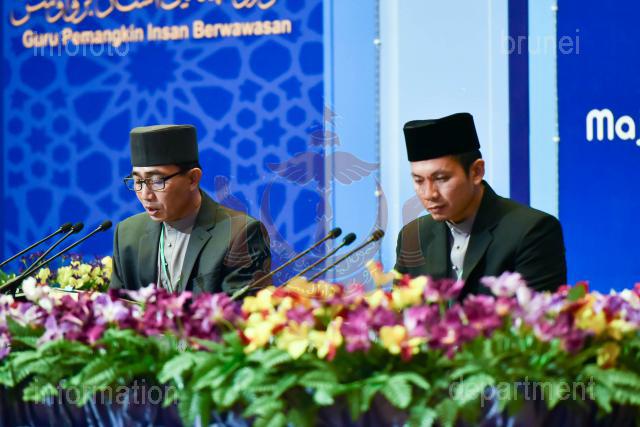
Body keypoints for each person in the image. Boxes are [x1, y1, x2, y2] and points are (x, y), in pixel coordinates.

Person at [395, 113, 566, 296]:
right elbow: (400, 307)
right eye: (419, 181)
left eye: (441, 178)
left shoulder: (531, 231)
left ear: (476, 172)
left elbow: (539, 311)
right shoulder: (413, 236)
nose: (429, 194)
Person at [110, 124, 271, 294]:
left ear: (193, 179)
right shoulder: (127, 234)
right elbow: (114, 305)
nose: (145, 195)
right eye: (138, 181)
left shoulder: (239, 234)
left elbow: (239, 308)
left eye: (157, 181)